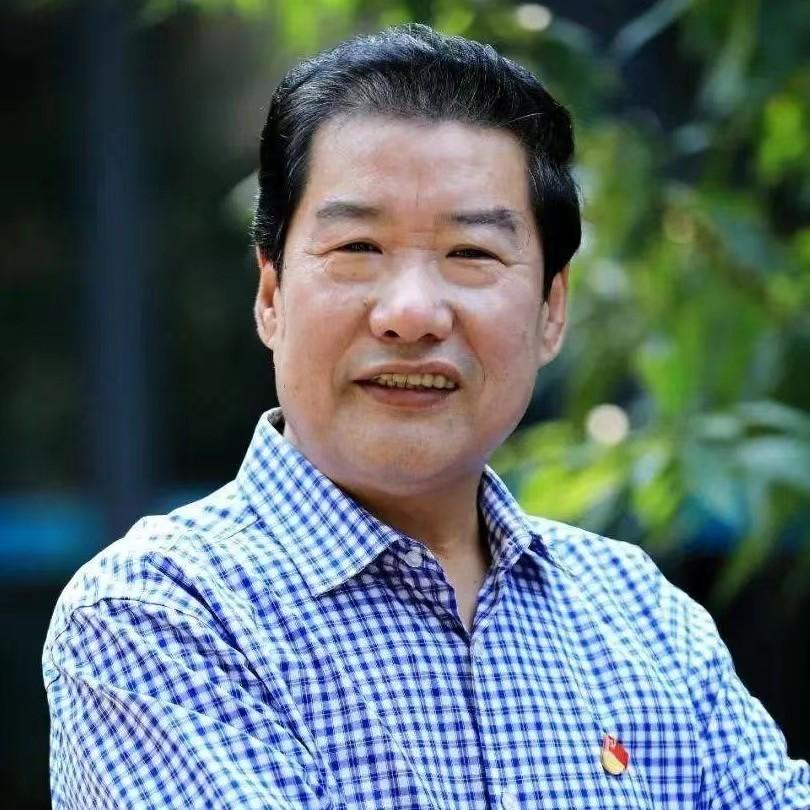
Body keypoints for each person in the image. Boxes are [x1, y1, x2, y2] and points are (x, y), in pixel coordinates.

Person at [43, 24, 809, 809]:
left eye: (471, 254)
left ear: (551, 310)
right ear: (271, 296)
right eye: (357, 248)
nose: (410, 313)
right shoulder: (161, 616)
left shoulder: (645, 620)